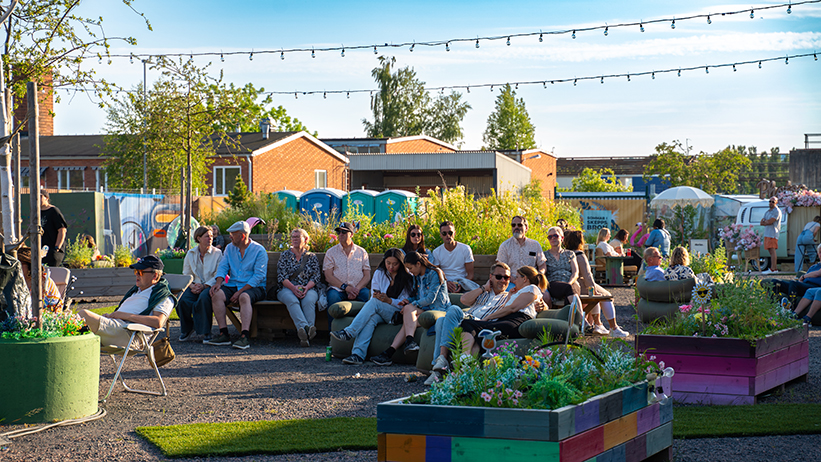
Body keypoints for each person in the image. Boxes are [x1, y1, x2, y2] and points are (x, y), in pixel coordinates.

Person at [425, 262, 514, 380]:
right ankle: (438, 368)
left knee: (452, 310)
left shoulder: (510, 296)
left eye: (506, 277)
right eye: (499, 277)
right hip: (466, 320)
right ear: (491, 277)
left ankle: (440, 362)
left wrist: (542, 304)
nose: (503, 280)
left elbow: (531, 300)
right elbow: (464, 299)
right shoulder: (484, 292)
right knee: (441, 320)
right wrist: (483, 288)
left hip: (479, 325)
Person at [370, 251, 450, 376]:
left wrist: (412, 305)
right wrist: (407, 301)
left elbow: (430, 299)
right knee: (407, 321)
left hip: (438, 309)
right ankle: (391, 351)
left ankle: (407, 342)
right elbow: (417, 296)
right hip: (424, 309)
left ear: (418, 264)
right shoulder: (416, 277)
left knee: (408, 311)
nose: (410, 271)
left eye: (411, 268)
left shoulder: (435, 273)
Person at [331, 249, 413, 365]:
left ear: (401, 263)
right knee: (371, 318)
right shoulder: (380, 273)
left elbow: (405, 303)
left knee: (374, 303)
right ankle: (358, 355)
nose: (391, 267)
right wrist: (378, 297)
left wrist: (390, 301)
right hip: (379, 310)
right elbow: (373, 297)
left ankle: (350, 332)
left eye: (395, 264)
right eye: (388, 263)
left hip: (396, 313)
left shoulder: (407, 277)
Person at [77, 255, 175, 349]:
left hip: (131, 335)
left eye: (140, 272)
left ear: (155, 275)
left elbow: (158, 322)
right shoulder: (136, 292)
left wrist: (123, 315)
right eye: (136, 271)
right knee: (69, 320)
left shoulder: (162, 296)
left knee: (83, 315)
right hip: (117, 328)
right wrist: (111, 316)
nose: (136, 274)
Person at [458, 266, 546, 358]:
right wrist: (510, 296)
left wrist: (487, 318)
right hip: (506, 320)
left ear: (524, 279)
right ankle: (468, 364)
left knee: (467, 323)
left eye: (516, 278)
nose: (514, 281)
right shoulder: (520, 293)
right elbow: (506, 308)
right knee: (478, 334)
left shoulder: (532, 288)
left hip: (516, 321)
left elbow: (512, 309)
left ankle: (465, 355)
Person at [205, 221, 268, 350]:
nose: (230, 237)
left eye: (233, 235)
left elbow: (259, 276)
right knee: (216, 295)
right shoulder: (229, 248)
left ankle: (244, 336)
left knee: (244, 297)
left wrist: (240, 292)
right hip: (234, 284)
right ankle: (224, 334)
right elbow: (223, 266)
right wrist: (218, 283)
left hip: (255, 287)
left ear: (243, 236)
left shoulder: (259, 250)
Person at [564, 231, 628, 337]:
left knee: (596, 293)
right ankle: (613, 327)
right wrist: (593, 289)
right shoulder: (580, 255)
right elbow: (587, 275)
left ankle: (598, 324)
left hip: (571, 286)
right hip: (582, 286)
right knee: (606, 296)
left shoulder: (565, 254)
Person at [177, 226, 222, 342]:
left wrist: (204, 286)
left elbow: (218, 274)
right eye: (207, 236)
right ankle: (187, 329)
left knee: (203, 298)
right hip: (194, 285)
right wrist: (192, 285)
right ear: (199, 238)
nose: (210, 239)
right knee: (182, 300)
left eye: (211, 236)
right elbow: (186, 273)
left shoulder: (217, 253)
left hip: (210, 285)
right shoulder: (190, 253)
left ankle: (206, 332)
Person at [278, 228, 321, 347]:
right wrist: (293, 288)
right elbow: (282, 277)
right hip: (287, 288)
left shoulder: (311, 256)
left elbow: (316, 276)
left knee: (309, 300)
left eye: (297, 237)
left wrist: (306, 288)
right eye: (293, 237)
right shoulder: (285, 255)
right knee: (292, 300)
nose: (294, 239)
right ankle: (306, 328)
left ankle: (304, 337)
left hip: (309, 288)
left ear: (305, 239)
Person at [324, 222, 371, 309]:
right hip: (338, 289)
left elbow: (367, 275)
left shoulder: (361, 252)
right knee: (332, 297)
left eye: (344, 232)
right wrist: (346, 288)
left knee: (368, 297)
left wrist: (356, 289)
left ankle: (366, 322)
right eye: (339, 232)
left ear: (351, 234)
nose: (340, 234)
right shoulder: (331, 252)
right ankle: (332, 323)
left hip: (358, 289)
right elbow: (328, 276)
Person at [432, 221, 479, 293]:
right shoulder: (437, 252)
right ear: (441, 235)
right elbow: (437, 274)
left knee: (475, 290)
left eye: (450, 233)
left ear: (454, 233)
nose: (447, 235)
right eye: (444, 233)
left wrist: (460, 285)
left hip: (463, 282)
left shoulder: (465, 249)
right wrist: (446, 284)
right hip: (445, 284)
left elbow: (470, 275)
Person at [16, 247, 63, 312]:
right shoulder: (16, 281)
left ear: (30, 265)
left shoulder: (43, 282)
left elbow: (54, 307)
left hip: (47, 317)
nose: (17, 267)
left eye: (20, 264)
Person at [544, 226, 579, 292]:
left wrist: (569, 284)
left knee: (572, 289)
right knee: (571, 292)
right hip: (553, 283)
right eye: (550, 237)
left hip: (570, 282)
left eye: (555, 236)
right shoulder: (544, 255)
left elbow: (575, 272)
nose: (553, 238)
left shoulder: (570, 254)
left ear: (562, 238)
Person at [40, 191, 67, 267]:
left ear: (46, 198)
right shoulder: (37, 212)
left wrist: (57, 247)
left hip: (52, 249)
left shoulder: (54, 211)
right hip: (41, 250)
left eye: (40, 196)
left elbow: (62, 230)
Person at [760, 197, 782, 274]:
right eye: (770, 201)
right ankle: (773, 268)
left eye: (773, 201)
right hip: (767, 233)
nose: (771, 203)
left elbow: (770, 221)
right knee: (770, 250)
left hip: (772, 233)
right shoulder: (768, 212)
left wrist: (766, 222)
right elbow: (762, 222)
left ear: (776, 202)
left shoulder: (776, 211)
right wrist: (765, 222)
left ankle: (773, 269)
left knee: (772, 250)